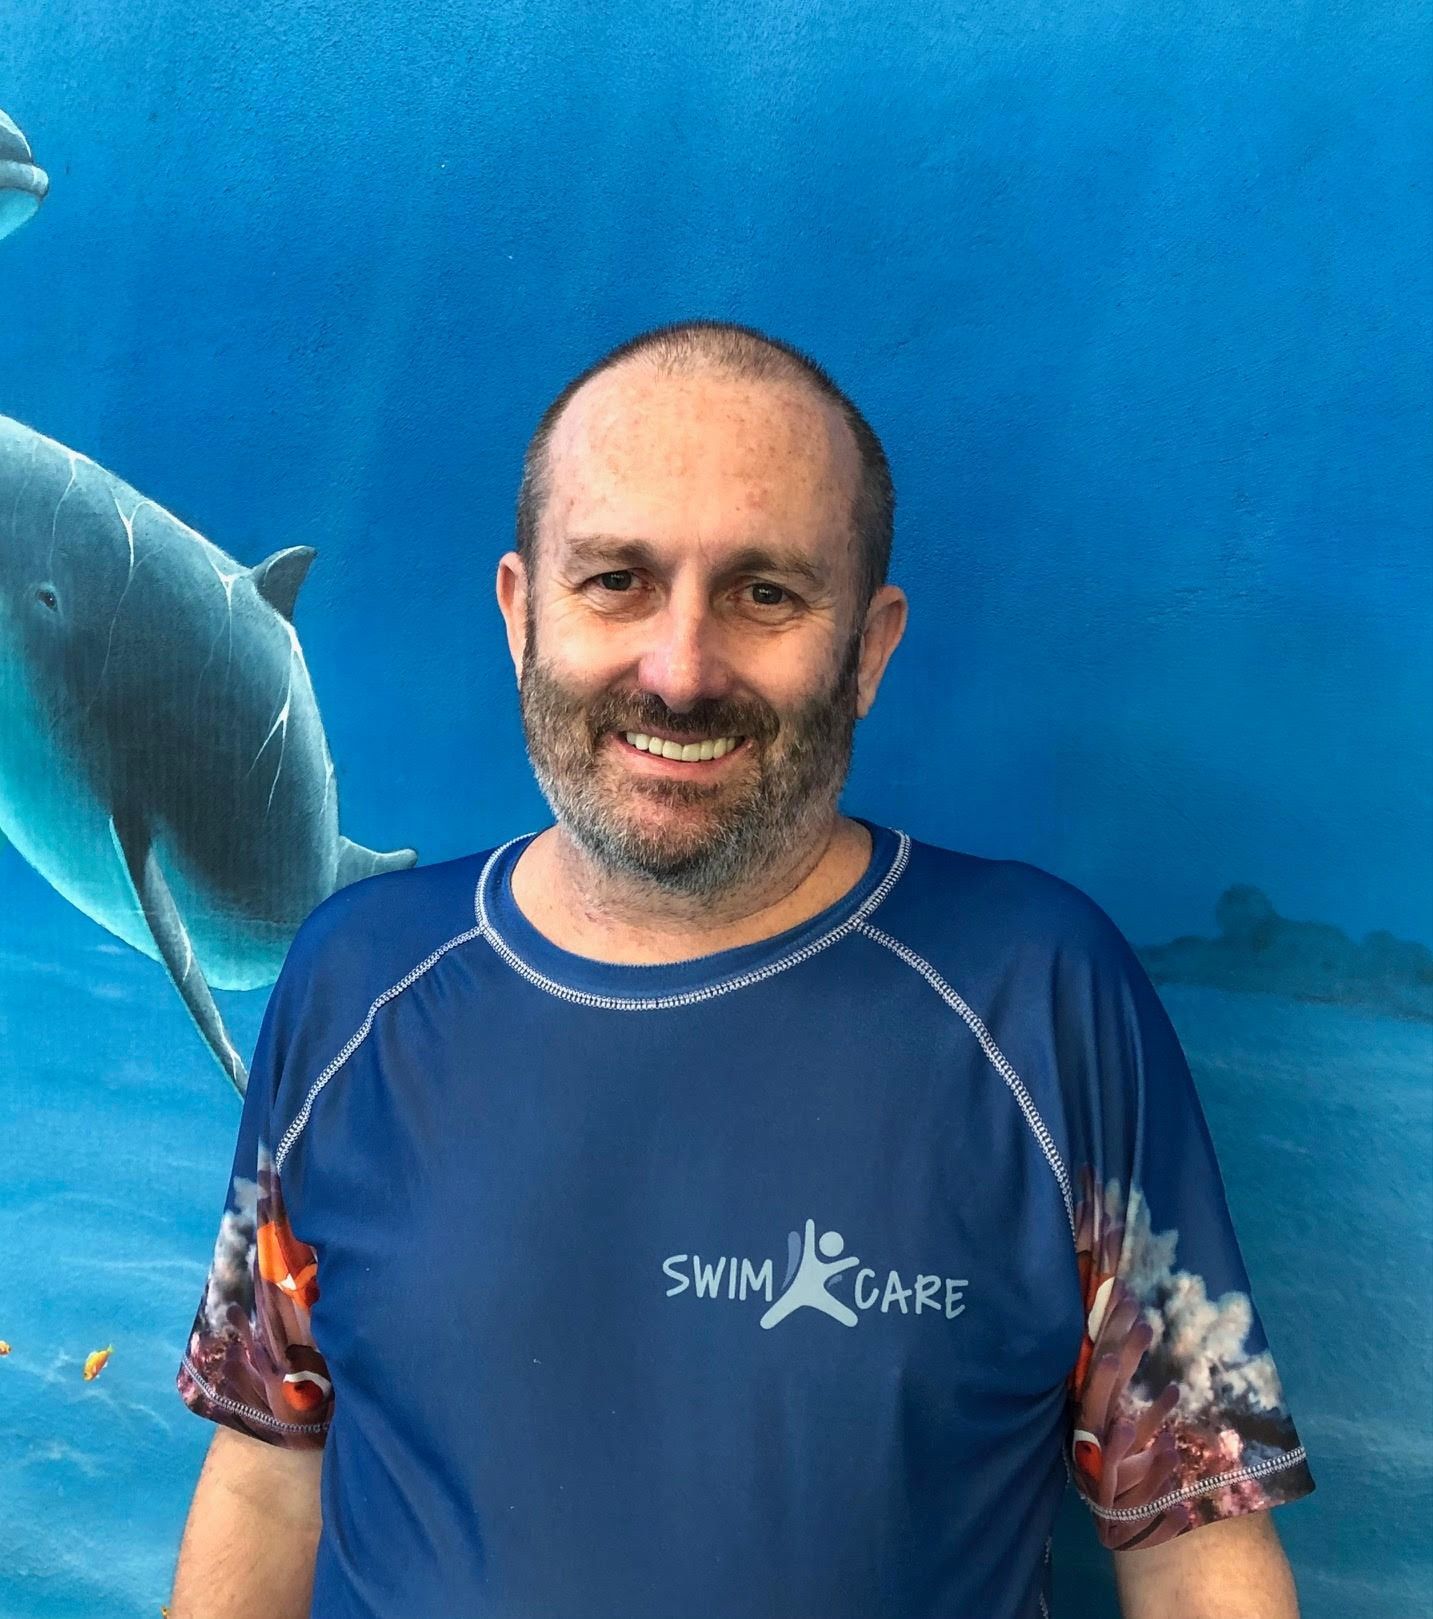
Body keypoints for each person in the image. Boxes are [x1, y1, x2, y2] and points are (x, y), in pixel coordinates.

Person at [167, 319, 1315, 1619]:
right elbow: (270, 1473)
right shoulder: (352, 981)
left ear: (867, 647)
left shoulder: (1040, 996)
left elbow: (1187, 1544)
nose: (679, 669)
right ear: (519, 612)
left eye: (764, 593)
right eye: (616, 581)